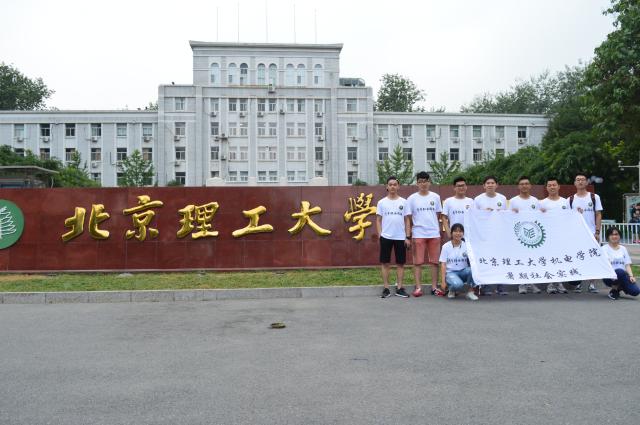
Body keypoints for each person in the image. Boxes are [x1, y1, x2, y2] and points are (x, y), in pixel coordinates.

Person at [407, 171, 443, 297]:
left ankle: (434, 287)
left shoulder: (435, 197)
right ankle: (418, 288)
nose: (423, 184)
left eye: (425, 181)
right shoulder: (411, 198)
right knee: (418, 262)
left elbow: (438, 214)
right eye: (420, 182)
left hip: (434, 233)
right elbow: (409, 217)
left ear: (429, 182)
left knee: (434, 262)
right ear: (417, 183)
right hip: (418, 233)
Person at [376, 176, 412, 298]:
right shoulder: (381, 202)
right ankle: (386, 288)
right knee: (385, 263)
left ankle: (399, 288)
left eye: (395, 184)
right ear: (387, 186)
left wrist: (407, 237)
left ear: (398, 186)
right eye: (390, 184)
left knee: (400, 263)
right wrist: (380, 235)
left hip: (400, 237)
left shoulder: (404, 202)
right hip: (386, 237)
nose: (392, 186)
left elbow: (407, 220)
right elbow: (378, 220)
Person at [568, 172, 603, 293]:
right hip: (577, 235)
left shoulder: (594, 197)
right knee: (578, 258)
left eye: (582, 179)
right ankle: (578, 283)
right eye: (578, 179)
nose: (580, 181)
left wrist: (597, 232)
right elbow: (567, 217)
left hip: (592, 233)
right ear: (574, 183)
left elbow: (598, 215)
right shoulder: (570, 199)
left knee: (593, 258)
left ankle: (592, 284)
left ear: (587, 182)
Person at [473, 175, 508, 296]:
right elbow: (474, 216)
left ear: (497, 185)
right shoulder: (478, 199)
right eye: (488, 183)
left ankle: (501, 286)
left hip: (499, 234)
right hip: (484, 235)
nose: (490, 185)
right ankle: (486, 286)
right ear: (484, 185)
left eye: (492, 183)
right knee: (486, 260)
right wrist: (483, 213)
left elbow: (506, 216)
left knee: (500, 260)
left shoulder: (502, 198)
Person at [509, 176, 542, 295]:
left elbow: (540, 217)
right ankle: (522, 284)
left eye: (526, 183)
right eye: (522, 184)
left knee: (532, 259)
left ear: (530, 185)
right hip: (519, 235)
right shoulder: (513, 201)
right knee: (521, 260)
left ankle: (531, 283)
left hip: (533, 236)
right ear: (518, 186)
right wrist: (512, 214)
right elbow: (507, 218)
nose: (524, 186)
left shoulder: (535, 201)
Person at [539, 178, 569, 294]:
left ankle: (559, 282)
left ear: (558, 186)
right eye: (549, 185)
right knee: (550, 259)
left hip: (562, 236)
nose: (552, 187)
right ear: (546, 188)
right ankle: (551, 283)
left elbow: (571, 217)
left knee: (561, 259)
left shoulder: (566, 202)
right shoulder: (541, 203)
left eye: (554, 185)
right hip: (547, 237)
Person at [439, 223, 478, 301]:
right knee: (458, 285)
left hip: (463, 271)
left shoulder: (467, 246)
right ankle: (451, 290)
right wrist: (443, 282)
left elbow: (474, 260)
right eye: (455, 231)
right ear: (451, 233)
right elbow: (443, 264)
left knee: (472, 270)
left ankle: (470, 292)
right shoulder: (446, 246)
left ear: (463, 233)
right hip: (451, 273)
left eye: (460, 231)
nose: (458, 233)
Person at [601, 227, 639, 300]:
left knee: (635, 291)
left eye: (616, 234)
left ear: (619, 236)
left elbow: (627, 265)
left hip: (622, 275)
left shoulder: (623, 248)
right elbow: (607, 265)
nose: (614, 236)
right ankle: (614, 290)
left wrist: (631, 276)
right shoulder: (604, 249)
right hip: (609, 276)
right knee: (619, 271)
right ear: (608, 237)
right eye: (611, 235)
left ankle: (619, 287)